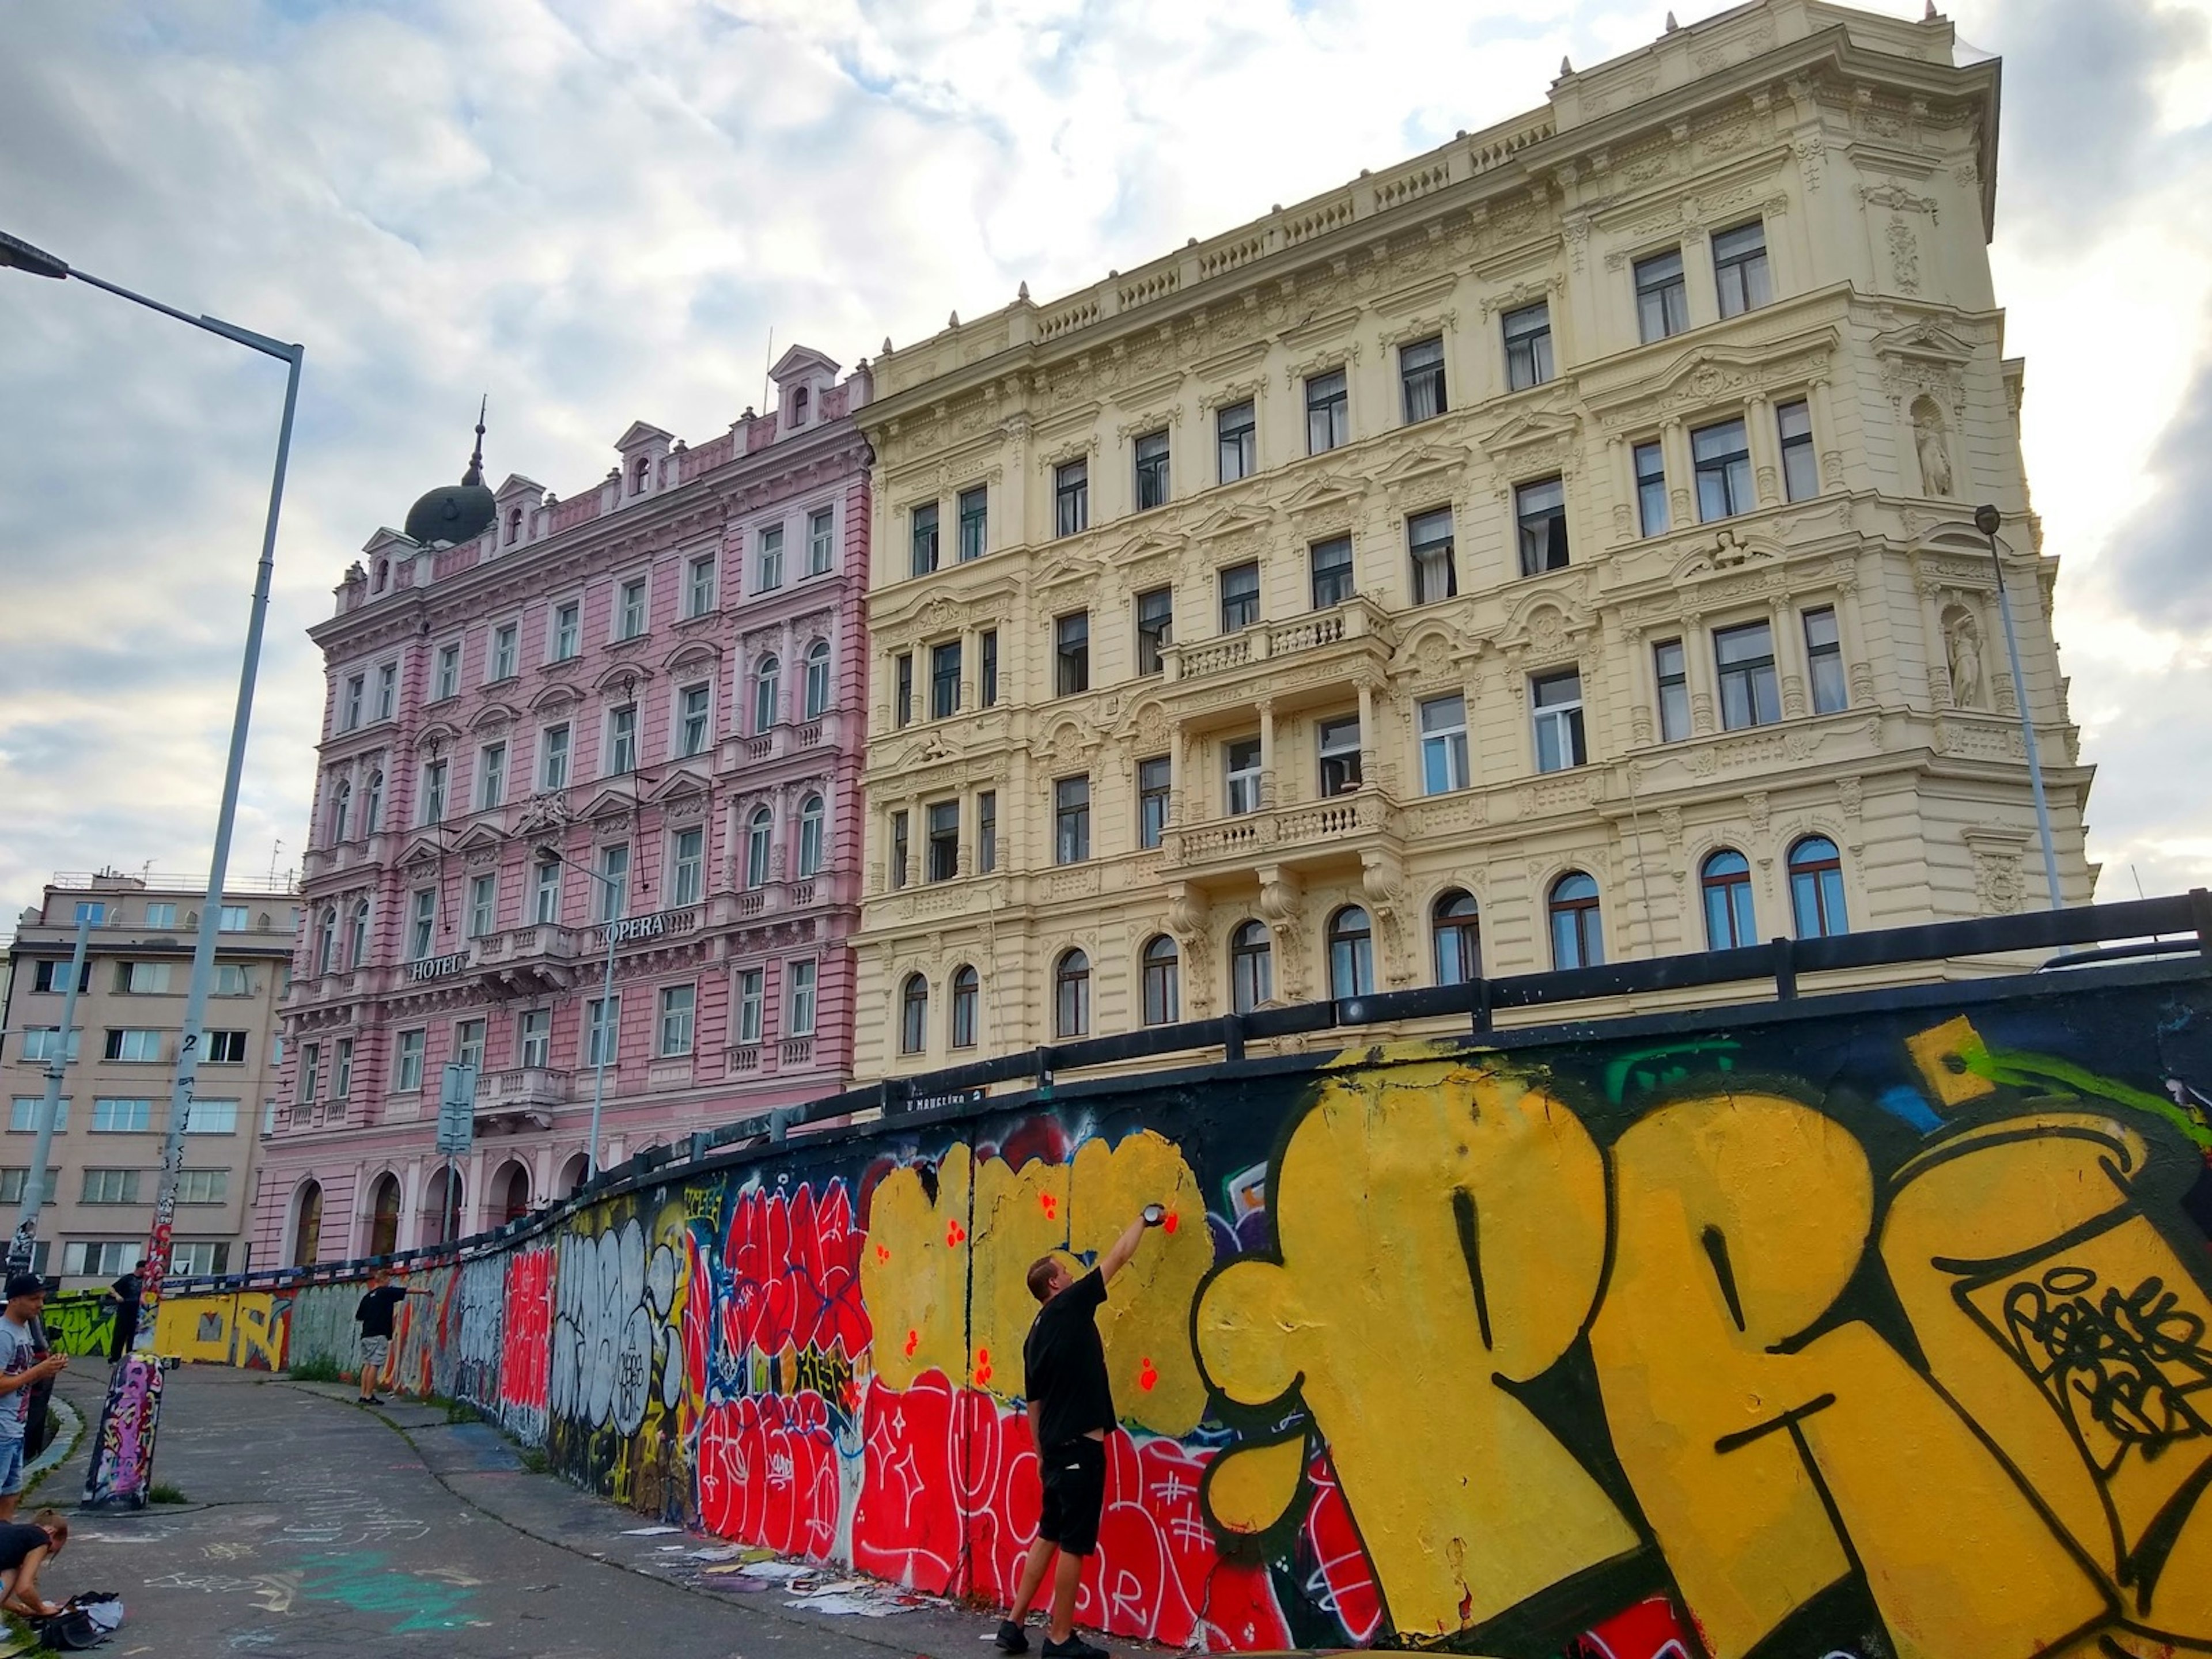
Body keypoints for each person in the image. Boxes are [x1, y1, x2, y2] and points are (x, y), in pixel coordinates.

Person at [996, 1205, 1166, 1659]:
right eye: (1065, 1272)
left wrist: (1039, 1455)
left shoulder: (1033, 1335)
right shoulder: (1069, 1307)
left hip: (1054, 1449)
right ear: (1054, 1284)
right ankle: (1059, 1638)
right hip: (1078, 1449)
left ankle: (1013, 1625)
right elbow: (1120, 1256)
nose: (1072, 1276)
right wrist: (1145, 1220)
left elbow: (1034, 1405)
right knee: (1073, 1541)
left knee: (1049, 1533)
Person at [0, 1276, 66, 1520]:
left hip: (15, 1428)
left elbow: (19, 1381)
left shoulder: (23, 1332)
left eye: (41, 1299)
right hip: (2, 1430)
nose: (39, 1305)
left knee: (11, 1494)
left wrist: (48, 1369)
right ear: (14, 1299)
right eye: (33, 1299)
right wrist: (38, 1371)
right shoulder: (4, 1334)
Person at [353, 1270, 413, 1404]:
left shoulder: (367, 1297)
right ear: (384, 1279)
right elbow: (407, 1290)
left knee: (367, 1364)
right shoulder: (386, 1292)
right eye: (388, 1279)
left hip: (366, 1335)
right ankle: (369, 1396)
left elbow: (360, 1317)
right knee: (375, 1365)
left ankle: (363, 1395)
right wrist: (425, 1291)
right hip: (379, 1335)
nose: (390, 1281)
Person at [0, 1508, 67, 1618]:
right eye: (50, 1551)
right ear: (52, 1532)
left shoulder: (7, 1530)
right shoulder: (41, 1537)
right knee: (13, 1571)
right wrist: (43, 1609)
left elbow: (3, 1591)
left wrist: (20, 1609)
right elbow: (24, 1589)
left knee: (12, 1569)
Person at [101, 1268, 142, 1363]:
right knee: (120, 1334)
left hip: (138, 1312)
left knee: (133, 1336)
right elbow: (111, 1288)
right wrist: (117, 1296)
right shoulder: (128, 1279)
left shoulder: (146, 1280)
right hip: (125, 1310)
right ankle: (115, 1358)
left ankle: (130, 1358)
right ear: (140, 1268)